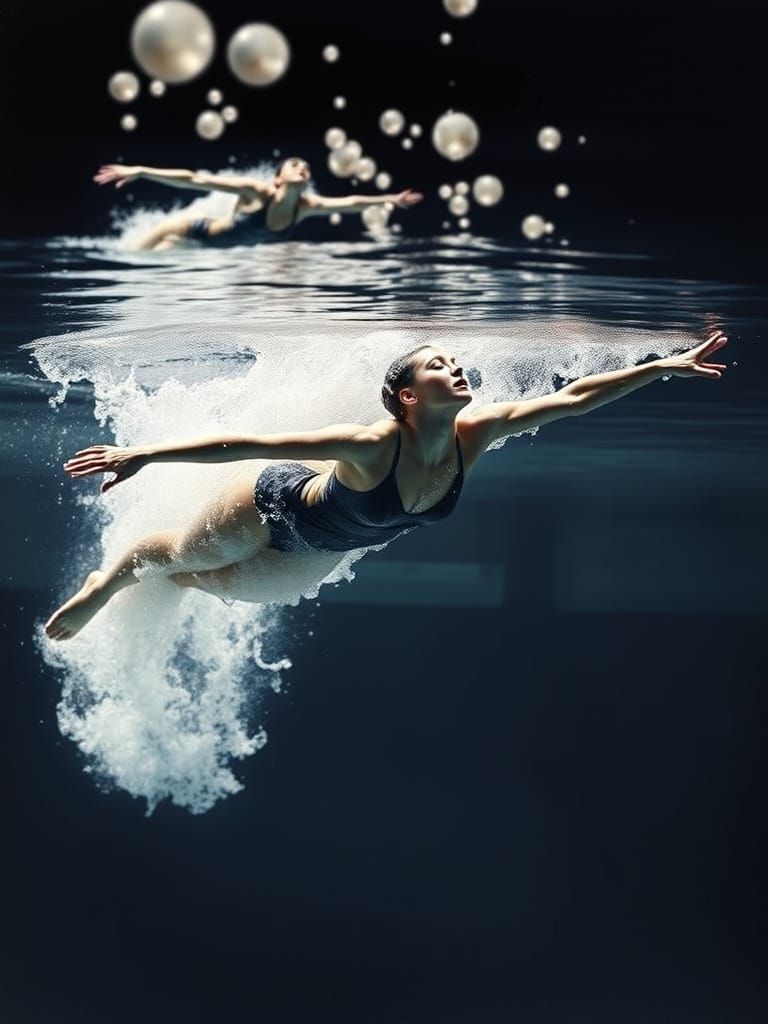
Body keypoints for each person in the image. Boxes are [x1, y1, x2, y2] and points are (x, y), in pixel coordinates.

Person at [44, 331, 729, 640]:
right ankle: (107, 582)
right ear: (407, 395)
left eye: (456, 361)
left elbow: (573, 399)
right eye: (439, 365)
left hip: (321, 548)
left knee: (217, 586)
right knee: (183, 556)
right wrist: (143, 453)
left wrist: (662, 367)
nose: (457, 369)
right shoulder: (373, 443)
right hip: (268, 507)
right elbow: (251, 445)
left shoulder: (476, 432)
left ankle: (153, 585)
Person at [94, 157, 422, 250]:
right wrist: (140, 171)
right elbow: (195, 179)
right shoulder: (254, 192)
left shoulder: (306, 205)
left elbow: (350, 202)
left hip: (201, 248)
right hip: (193, 229)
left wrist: (391, 199)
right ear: (278, 178)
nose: (302, 169)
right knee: (135, 254)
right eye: (295, 165)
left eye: (306, 168)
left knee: (160, 259)